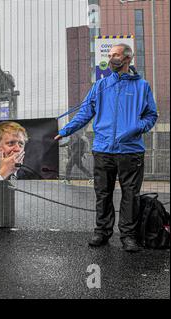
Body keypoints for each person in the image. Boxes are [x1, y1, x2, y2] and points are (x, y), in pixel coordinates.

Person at [55, 43, 157, 252]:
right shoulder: (100, 86)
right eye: (110, 55)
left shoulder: (142, 87)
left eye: (116, 55)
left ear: (128, 58)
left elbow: (151, 115)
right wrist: (65, 130)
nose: (112, 59)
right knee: (103, 193)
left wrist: (135, 128)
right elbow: (84, 113)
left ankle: (128, 236)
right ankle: (102, 231)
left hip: (131, 151)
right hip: (103, 150)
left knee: (131, 195)